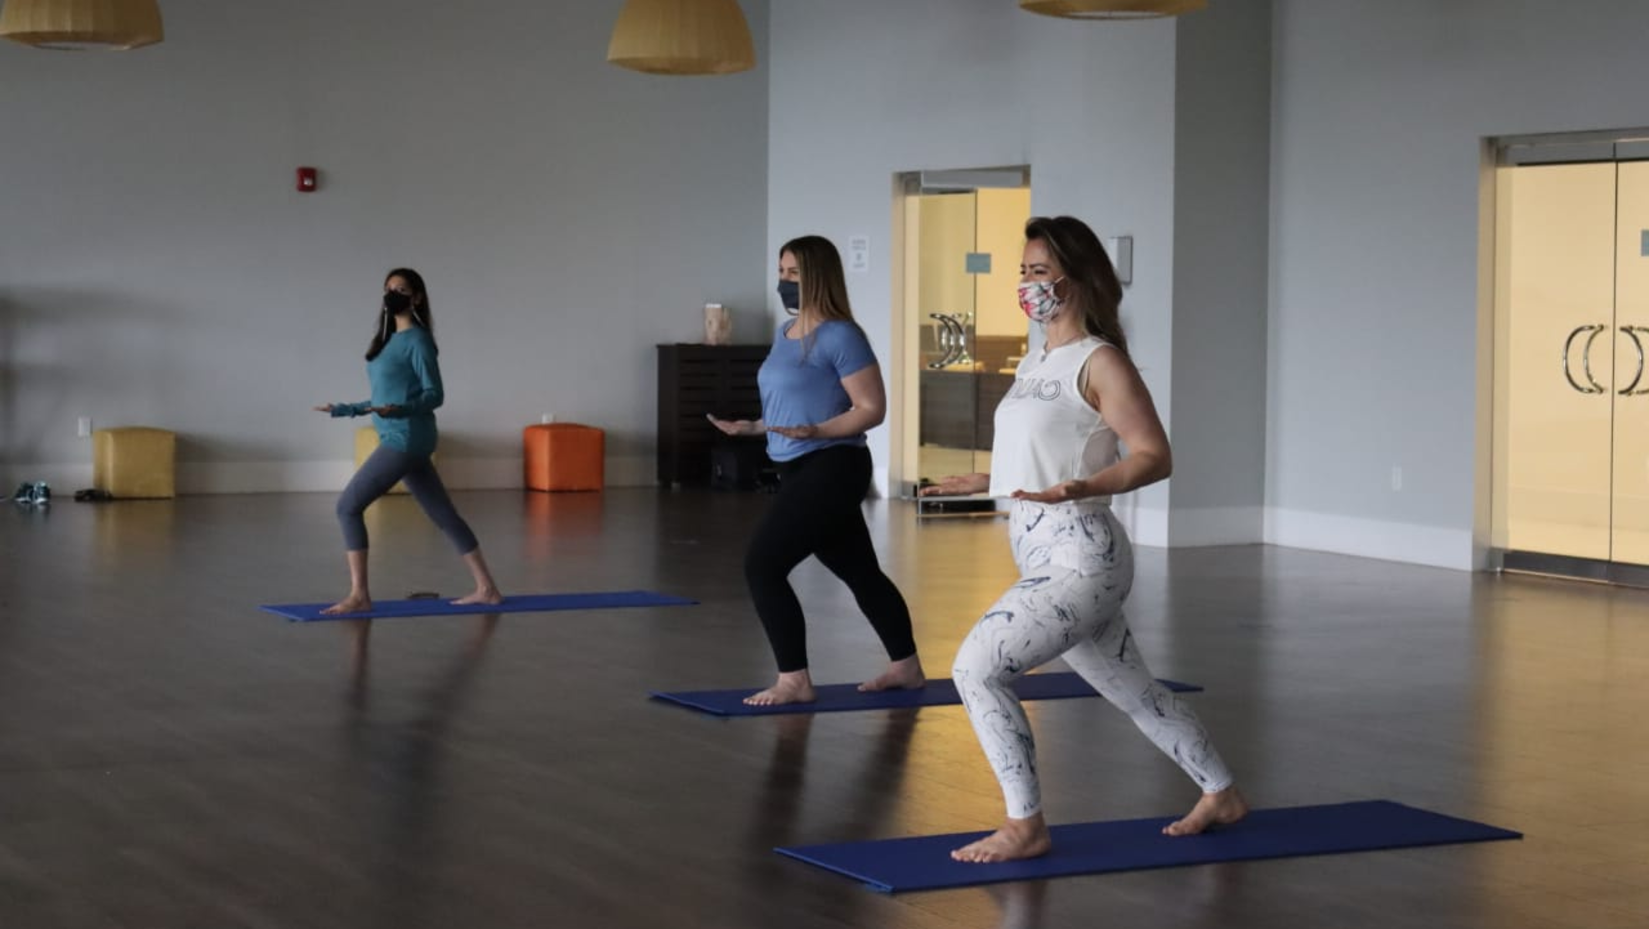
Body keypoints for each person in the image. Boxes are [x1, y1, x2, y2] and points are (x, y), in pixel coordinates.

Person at [923, 216, 1247, 863]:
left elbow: (1154, 455)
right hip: (1038, 544)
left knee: (976, 668)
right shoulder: (1038, 356)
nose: (1025, 284)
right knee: (1132, 688)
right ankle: (1221, 792)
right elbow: (1044, 452)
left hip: (1081, 555)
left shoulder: (1101, 361)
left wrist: (1082, 485)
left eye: (1037, 272)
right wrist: (988, 477)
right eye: (1022, 272)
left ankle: (1025, 824)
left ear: (1075, 279)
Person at [709, 236, 925, 706]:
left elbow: (871, 409)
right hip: (796, 465)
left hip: (835, 465)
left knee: (762, 565)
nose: (784, 282)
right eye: (781, 272)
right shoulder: (784, 334)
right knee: (860, 571)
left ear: (818, 278)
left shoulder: (841, 335)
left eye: (794, 274)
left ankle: (794, 680)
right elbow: (797, 408)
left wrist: (821, 431)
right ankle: (905, 666)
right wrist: (753, 426)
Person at [313, 268, 504, 615]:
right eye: (388, 288)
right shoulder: (388, 341)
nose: (393, 294)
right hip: (404, 437)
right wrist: (343, 410)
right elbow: (382, 397)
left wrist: (401, 408)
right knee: (444, 515)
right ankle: (487, 589)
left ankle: (359, 595)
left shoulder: (417, 340)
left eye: (401, 289)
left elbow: (435, 394)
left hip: (406, 438)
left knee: (347, 507)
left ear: (416, 298)